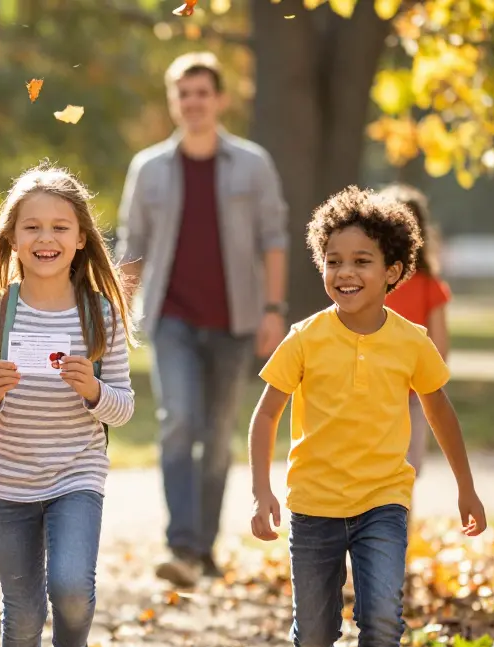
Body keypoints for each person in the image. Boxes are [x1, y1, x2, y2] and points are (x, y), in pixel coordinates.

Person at [248, 186, 487, 647]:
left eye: (361, 261)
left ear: (394, 272)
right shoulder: (305, 338)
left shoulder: (411, 341)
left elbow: (440, 412)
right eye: (333, 261)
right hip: (313, 502)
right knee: (315, 632)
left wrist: (465, 487)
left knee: (381, 615)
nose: (344, 272)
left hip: (383, 499)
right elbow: (265, 414)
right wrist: (263, 490)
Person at [0, 165, 136, 647]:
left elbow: (123, 408)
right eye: (32, 227)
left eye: (60, 227)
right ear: (13, 237)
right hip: (7, 478)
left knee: (72, 587)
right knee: (23, 612)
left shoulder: (100, 314)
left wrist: (93, 391)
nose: (46, 238)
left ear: (81, 239)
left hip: (77, 472)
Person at [116, 51, 290, 587]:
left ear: (219, 100)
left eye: (201, 93)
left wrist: (273, 309)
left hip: (236, 320)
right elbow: (133, 245)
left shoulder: (253, 164)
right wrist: (117, 314)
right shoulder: (148, 168)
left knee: (217, 435)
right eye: (183, 94)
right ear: (174, 102)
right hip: (171, 317)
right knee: (179, 423)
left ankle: (204, 547)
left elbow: (274, 239)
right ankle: (182, 545)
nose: (193, 103)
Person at [379, 184, 451, 480]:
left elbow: (439, 348)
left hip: (406, 394)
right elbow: (440, 348)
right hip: (385, 392)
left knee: (398, 475)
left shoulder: (425, 285)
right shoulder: (375, 279)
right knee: (398, 476)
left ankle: (395, 528)